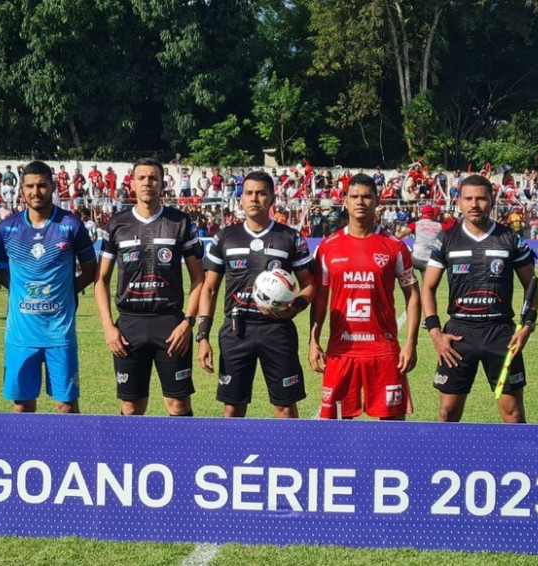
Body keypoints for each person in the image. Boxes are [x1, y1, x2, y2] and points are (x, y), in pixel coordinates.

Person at [420, 174, 538, 423]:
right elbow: (428, 287)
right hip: (459, 333)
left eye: (481, 198)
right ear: (459, 202)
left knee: (514, 414)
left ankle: (518, 463)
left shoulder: (510, 238)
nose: (474, 204)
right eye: (468, 198)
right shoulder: (446, 239)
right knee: (448, 412)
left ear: (492, 200)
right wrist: (435, 333)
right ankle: (445, 462)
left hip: (501, 333)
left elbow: (532, 284)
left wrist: (527, 326)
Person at [197, 171, 316, 418]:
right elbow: (209, 288)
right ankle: (230, 457)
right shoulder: (225, 237)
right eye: (248, 193)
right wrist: (203, 336)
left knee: (285, 406)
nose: (254, 198)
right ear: (240, 199)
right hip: (236, 330)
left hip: (277, 331)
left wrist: (295, 308)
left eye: (261, 193)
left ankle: (288, 457)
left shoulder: (289, 237)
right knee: (232, 407)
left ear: (272, 198)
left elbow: (310, 285)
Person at [95, 157, 205, 416]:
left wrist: (187, 323)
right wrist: (109, 328)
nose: (147, 183)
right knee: (131, 407)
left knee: (178, 404)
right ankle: (132, 457)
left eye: (153, 178)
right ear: (132, 183)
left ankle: (182, 458)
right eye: (141, 178)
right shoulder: (117, 224)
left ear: (162, 183)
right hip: (129, 325)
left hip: (170, 324)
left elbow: (199, 279)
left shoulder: (180, 222)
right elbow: (101, 280)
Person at [309, 173, 420, 420]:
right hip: (341, 351)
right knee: (335, 428)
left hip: (383, 350)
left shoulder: (394, 246)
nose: (360, 201)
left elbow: (413, 295)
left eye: (367, 196)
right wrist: (313, 340)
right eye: (354, 196)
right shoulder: (327, 247)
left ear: (377, 201)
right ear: (345, 201)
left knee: (392, 429)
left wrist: (410, 342)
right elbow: (320, 300)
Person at [0, 161, 97, 414]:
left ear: (52, 187)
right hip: (21, 334)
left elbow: (91, 269)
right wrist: (24, 293)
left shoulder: (71, 225)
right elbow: (1, 271)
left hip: (59, 334)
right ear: (22, 190)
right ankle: (27, 454)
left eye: (41, 185)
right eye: (30, 186)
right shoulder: (7, 229)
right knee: (23, 406)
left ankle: (70, 454)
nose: (35, 191)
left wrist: (68, 291)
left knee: (67, 405)